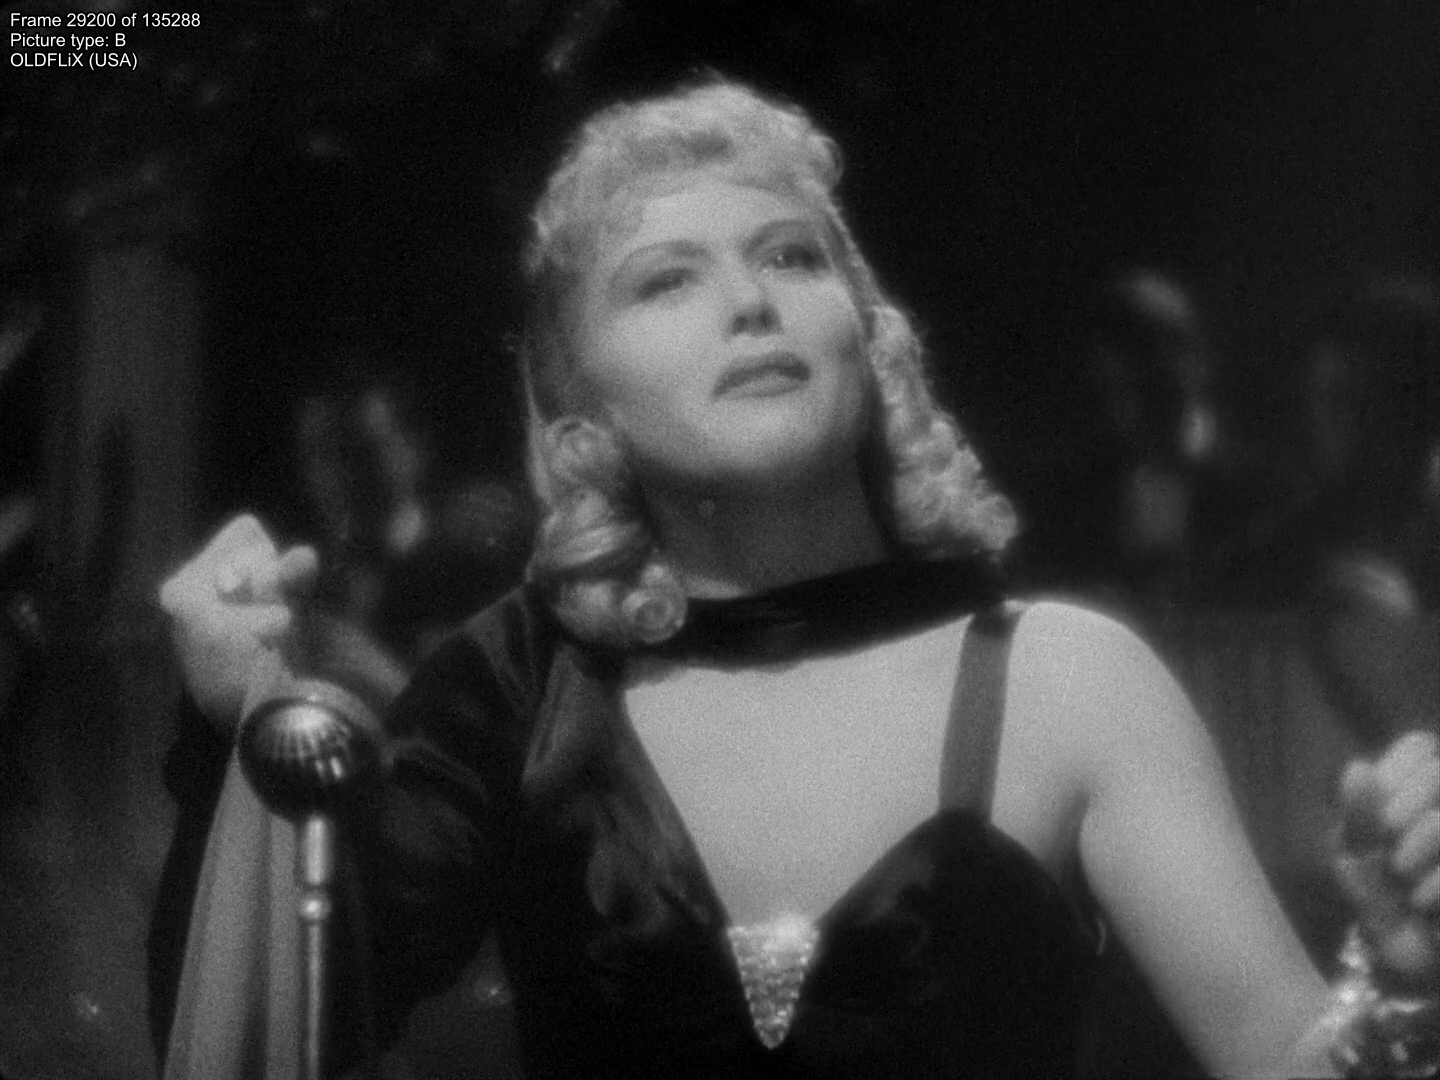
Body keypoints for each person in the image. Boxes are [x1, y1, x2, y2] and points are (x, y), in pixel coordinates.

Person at [154, 80, 1440, 1079]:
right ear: (582, 413)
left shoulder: (1069, 678)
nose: (751, 303)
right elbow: (266, 1048)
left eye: (791, 257)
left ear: (869, 347)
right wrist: (233, 724)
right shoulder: (514, 686)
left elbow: (1292, 1059)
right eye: (668, 280)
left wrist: (1409, 980)